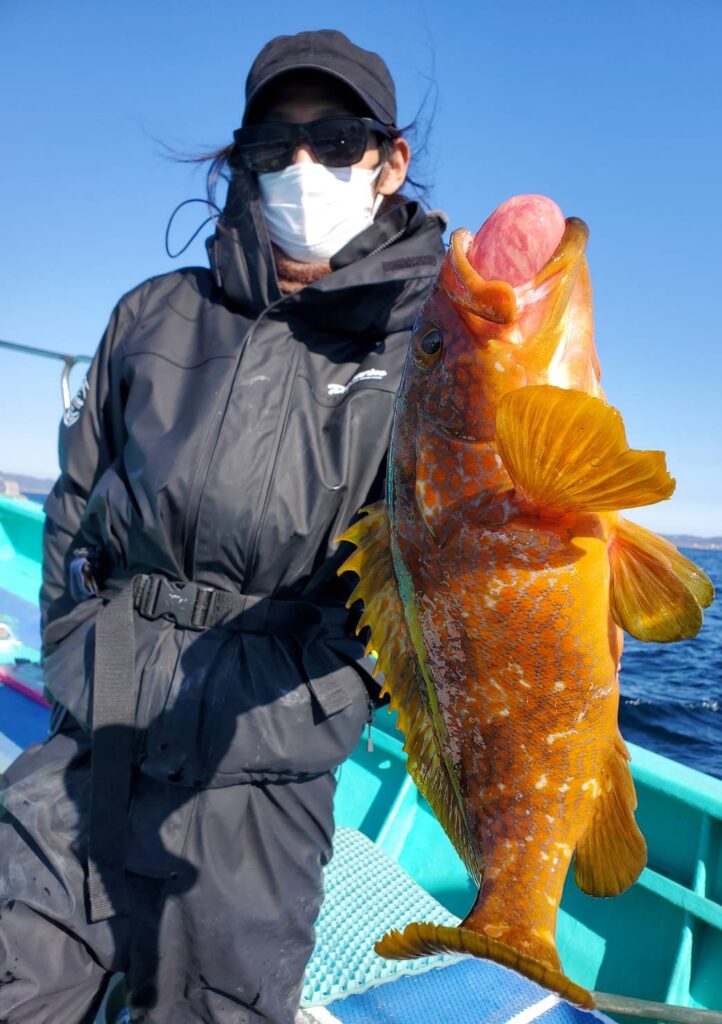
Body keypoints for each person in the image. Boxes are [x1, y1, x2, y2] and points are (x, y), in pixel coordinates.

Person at [0, 29, 445, 1024]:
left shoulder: (431, 359)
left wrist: (309, 710)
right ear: (242, 163)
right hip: (92, 742)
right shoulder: (153, 316)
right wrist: (80, 658)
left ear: (390, 161)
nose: (303, 165)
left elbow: (441, 577)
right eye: (274, 145)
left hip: (260, 784)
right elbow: (76, 507)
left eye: (337, 140)